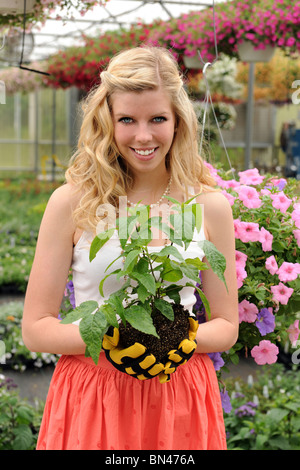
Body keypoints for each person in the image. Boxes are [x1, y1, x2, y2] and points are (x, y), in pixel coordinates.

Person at [22, 46, 239, 450]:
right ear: (107, 121)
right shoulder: (73, 203)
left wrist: (176, 340)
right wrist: (114, 336)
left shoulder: (209, 207)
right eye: (127, 119)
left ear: (178, 122)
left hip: (178, 393)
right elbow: (36, 329)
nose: (143, 136)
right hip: (95, 394)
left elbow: (226, 325)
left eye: (158, 118)